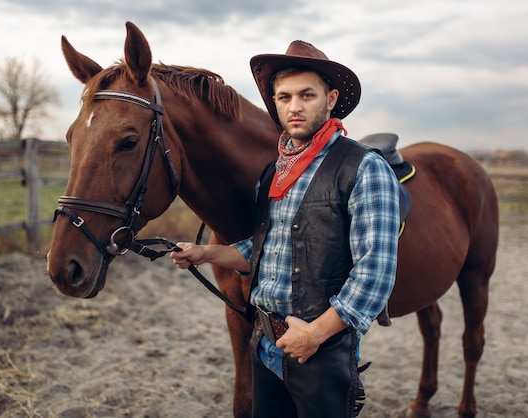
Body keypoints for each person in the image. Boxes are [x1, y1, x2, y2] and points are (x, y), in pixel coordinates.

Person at [171, 40, 399, 418]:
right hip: (264, 343)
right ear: (275, 104)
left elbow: (374, 275)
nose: (294, 107)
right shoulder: (274, 172)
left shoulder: (364, 168)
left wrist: (316, 333)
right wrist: (206, 253)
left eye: (307, 95)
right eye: (284, 96)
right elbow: (262, 250)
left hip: (320, 351)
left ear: (330, 99)